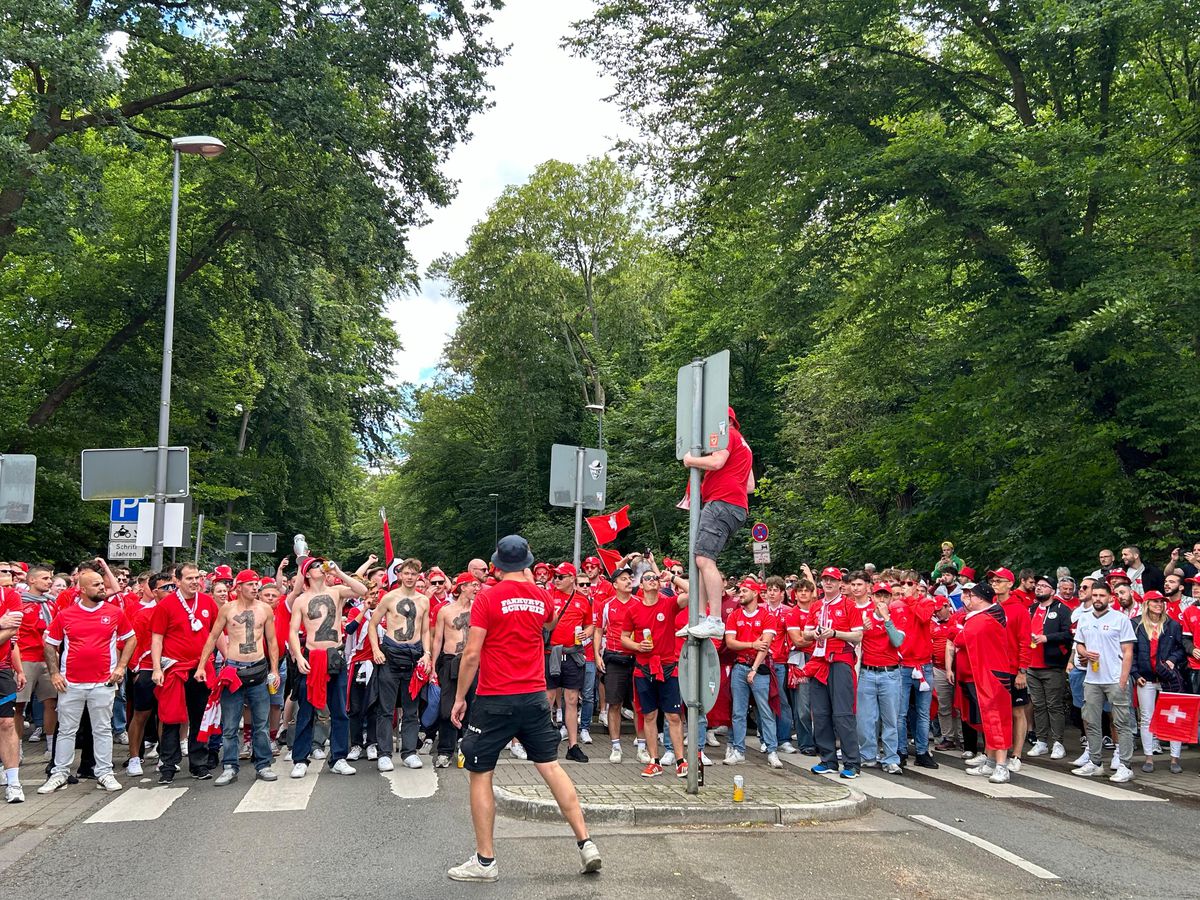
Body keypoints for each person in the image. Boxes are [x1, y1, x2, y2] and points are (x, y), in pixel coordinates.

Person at [449, 535, 601, 882]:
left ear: (496, 565)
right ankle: (586, 842)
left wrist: (460, 698)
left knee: (481, 773)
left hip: (495, 697)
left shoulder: (487, 597)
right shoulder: (542, 596)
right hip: (534, 694)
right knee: (550, 766)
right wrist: (530, 584)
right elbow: (549, 624)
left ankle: (485, 861)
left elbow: (471, 654)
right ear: (528, 563)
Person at [38, 568, 135, 794]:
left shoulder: (114, 612)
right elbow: (50, 644)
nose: (102, 587)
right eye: (96, 585)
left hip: (102, 682)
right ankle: (60, 773)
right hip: (71, 683)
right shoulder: (66, 614)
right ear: (82, 589)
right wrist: (54, 673)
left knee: (102, 729)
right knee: (67, 730)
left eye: (102, 583)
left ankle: (104, 772)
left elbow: (130, 638)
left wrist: (121, 667)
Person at [195, 570, 280, 784]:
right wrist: (202, 665)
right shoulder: (227, 609)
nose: (255, 587)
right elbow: (212, 637)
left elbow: (272, 641)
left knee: (261, 724)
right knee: (230, 725)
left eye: (256, 584)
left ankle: (263, 765)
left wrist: (274, 670)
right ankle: (230, 766)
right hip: (233, 670)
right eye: (250, 584)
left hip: (258, 669)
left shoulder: (265, 609)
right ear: (239, 586)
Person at [289, 556, 368, 778]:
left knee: (339, 710)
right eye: (316, 566)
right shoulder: (301, 600)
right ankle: (300, 759)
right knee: (306, 711)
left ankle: (339, 757)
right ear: (307, 573)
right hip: (312, 656)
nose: (320, 568)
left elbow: (362, 590)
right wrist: (298, 656)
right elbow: (292, 631)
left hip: (335, 655)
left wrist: (338, 572)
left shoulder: (336, 591)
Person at [680, 406, 754, 640]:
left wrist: (691, 460)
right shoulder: (743, 444)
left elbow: (717, 462)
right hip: (734, 506)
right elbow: (750, 485)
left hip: (722, 503)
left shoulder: (728, 435)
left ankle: (714, 620)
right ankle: (701, 618)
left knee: (704, 559)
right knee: (702, 559)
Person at [150, 562, 220, 784]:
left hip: (201, 668)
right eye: (189, 578)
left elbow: (216, 634)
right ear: (177, 581)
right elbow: (157, 638)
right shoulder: (166, 605)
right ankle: (168, 765)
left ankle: (199, 764)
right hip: (175, 669)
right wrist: (157, 668)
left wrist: (227, 659)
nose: (195, 582)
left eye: (197, 578)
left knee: (200, 717)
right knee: (171, 718)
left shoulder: (207, 602)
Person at [618, 570, 687, 777]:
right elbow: (623, 638)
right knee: (649, 715)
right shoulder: (633, 610)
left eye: (654, 578)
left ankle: (681, 761)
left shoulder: (669, 603)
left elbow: (693, 593)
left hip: (668, 667)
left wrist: (672, 577)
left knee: (673, 715)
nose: (652, 580)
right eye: (647, 578)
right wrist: (637, 646)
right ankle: (654, 761)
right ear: (641, 585)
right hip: (644, 669)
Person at [797, 567, 862, 779]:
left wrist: (834, 633)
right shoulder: (816, 606)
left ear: (840, 583)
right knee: (820, 713)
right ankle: (828, 759)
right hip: (819, 660)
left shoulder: (848, 605)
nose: (828, 583)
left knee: (843, 713)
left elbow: (858, 636)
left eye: (832, 580)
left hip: (839, 660)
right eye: (825, 579)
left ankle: (852, 762)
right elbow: (805, 633)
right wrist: (814, 634)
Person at [368, 557, 430, 772]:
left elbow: (425, 630)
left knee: (411, 709)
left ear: (418, 576)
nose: (410, 577)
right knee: (385, 708)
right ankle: (384, 753)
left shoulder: (424, 600)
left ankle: (409, 752)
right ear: (400, 575)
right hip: (391, 655)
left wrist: (427, 654)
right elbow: (372, 624)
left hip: (413, 656)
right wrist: (376, 650)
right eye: (406, 573)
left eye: (413, 574)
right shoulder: (389, 597)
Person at [1072, 581, 1136, 783]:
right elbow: (1079, 644)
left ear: (1110, 598)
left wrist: (1123, 680)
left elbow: (1128, 651)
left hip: (1115, 678)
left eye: (1102, 595)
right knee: (1091, 721)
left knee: (1121, 722)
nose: (1098, 599)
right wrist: (1084, 653)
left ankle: (1125, 765)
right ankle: (1095, 762)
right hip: (1092, 679)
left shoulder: (1120, 619)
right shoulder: (1084, 618)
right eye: (1095, 595)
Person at [959, 582, 1013, 783]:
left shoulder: (985, 619)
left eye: (971, 596)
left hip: (994, 675)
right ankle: (991, 762)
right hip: (988, 673)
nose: (968, 599)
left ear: (980, 598)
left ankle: (1002, 765)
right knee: (989, 719)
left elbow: (960, 638)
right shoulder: (989, 615)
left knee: (997, 719)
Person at [857, 582, 907, 775]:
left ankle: (891, 758)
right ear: (872, 596)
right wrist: (861, 629)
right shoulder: (864, 616)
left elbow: (897, 641)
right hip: (867, 672)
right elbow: (854, 640)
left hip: (890, 673)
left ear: (891, 598)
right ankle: (868, 755)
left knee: (890, 719)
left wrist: (887, 619)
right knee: (866, 719)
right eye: (879, 595)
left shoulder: (897, 616)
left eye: (886, 596)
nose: (882, 600)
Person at [1132, 591, 1185, 774]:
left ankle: (1174, 759)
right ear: (1146, 604)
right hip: (1145, 677)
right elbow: (1131, 652)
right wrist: (1135, 673)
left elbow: (1181, 649)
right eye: (1155, 602)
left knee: (1174, 718)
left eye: (1161, 602)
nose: (1159, 604)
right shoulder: (1136, 624)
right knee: (1146, 717)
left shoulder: (1172, 624)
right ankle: (1148, 758)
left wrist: (1172, 659)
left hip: (1168, 677)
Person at [431, 573, 479, 767]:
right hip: (450, 660)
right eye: (473, 585)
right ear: (462, 587)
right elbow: (437, 640)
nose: (476, 588)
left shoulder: (479, 608)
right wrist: (433, 666)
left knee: (473, 706)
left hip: (473, 661)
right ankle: (445, 751)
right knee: (447, 707)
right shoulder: (445, 611)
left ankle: (468, 749)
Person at [545, 562, 591, 763]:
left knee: (572, 700)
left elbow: (590, 625)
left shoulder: (583, 600)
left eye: (561, 576)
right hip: (550, 653)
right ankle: (544, 743)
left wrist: (586, 633)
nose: (556, 579)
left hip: (573, 654)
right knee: (547, 699)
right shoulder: (548, 596)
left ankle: (573, 746)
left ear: (572, 578)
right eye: (555, 576)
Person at [988, 567, 1031, 773]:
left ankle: (1016, 755)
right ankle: (993, 756)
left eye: (999, 580)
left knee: (1017, 711)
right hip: (992, 668)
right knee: (994, 713)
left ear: (1010, 584)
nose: (994, 584)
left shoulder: (1019, 609)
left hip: (1013, 669)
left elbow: (1025, 641)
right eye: (993, 581)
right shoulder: (990, 606)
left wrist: (1022, 670)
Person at [14, 565, 57, 766]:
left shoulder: (51, 603)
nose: (49, 582)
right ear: (32, 580)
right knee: (19, 705)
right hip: (26, 658)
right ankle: (16, 749)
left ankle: (51, 747)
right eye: (45, 578)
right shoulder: (20, 603)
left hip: (47, 658)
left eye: (50, 578)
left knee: (52, 702)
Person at [1025, 574, 1071, 760]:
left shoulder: (1062, 609)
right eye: (1037, 585)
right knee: (1038, 705)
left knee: (1054, 705)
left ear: (1053, 591)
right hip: (1031, 665)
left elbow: (1068, 634)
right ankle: (1041, 741)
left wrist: (1047, 638)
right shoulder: (1031, 608)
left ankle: (1058, 742)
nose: (1038, 587)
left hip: (1052, 665)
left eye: (1044, 585)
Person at [895, 570, 938, 768]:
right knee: (900, 712)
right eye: (902, 583)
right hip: (903, 665)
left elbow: (923, 618)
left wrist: (912, 600)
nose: (905, 586)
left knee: (923, 712)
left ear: (917, 585)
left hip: (924, 664)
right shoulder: (895, 606)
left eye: (909, 583)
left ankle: (922, 751)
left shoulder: (927, 603)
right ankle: (901, 750)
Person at [598, 569, 636, 763]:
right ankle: (615, 746)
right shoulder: (607, 605)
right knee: (614, 704)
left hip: (637, 657)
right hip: (614, 657)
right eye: (623, 579)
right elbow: (598, 630)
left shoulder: (639, 602)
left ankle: (643, 746)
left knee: (639, 704)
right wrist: (597, 655)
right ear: (614, 584)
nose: (628, 582)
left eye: (630, 578)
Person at [763, 575, 799, 753]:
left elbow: (793, 636)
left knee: (782, 700)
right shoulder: (760, 609)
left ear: (782, 593)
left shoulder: (788, 611)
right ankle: (766, 738)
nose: (771, 593)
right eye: (769, 590)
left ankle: (783, 739)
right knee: (764, 701)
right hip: (763, 660)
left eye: (775, 590)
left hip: (780, 660)